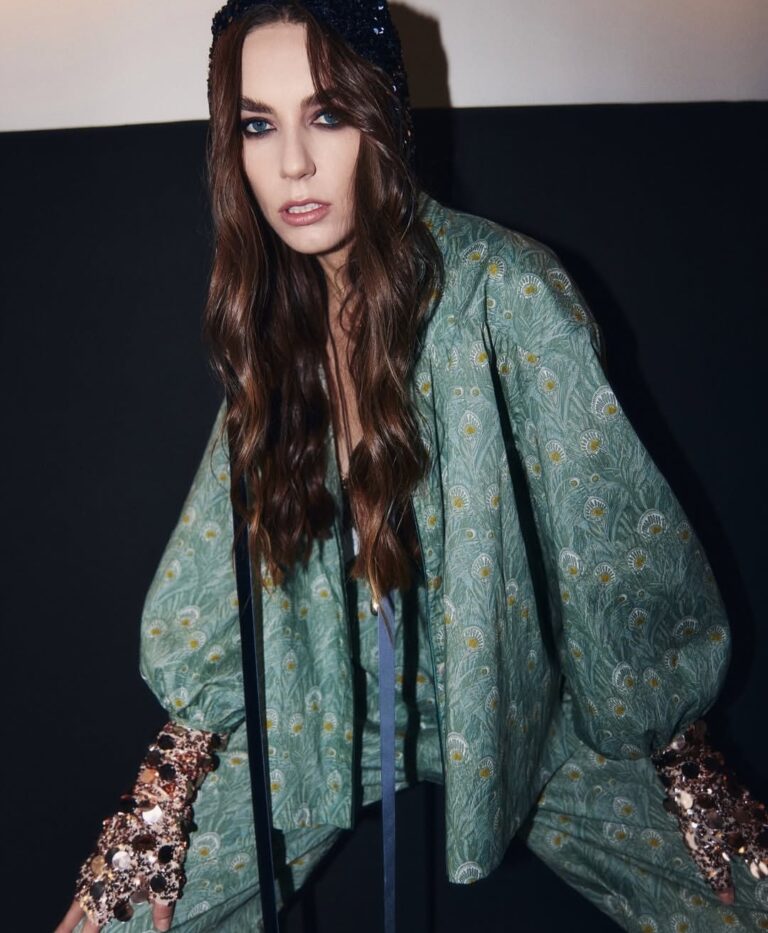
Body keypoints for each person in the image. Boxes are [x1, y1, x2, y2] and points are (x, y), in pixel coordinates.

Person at [56, 2, 768, 932]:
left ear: (382, 118)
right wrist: (168, 787)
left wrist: (682, 760)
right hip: (330, 706)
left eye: (327, 115)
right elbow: (214, 558)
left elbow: (613, 540)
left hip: (526, 704)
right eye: (258, 126)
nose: (293, 164)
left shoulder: (504, 290)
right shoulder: (276, 317)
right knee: (107, 921)